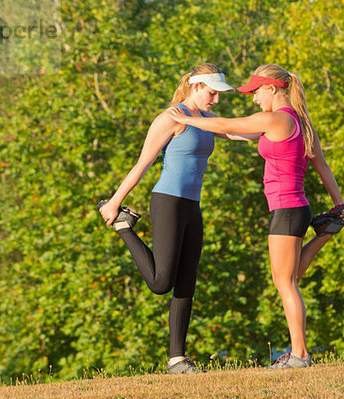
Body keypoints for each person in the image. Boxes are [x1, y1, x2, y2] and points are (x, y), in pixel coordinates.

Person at [167, 64, 344, 368]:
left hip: (285, 208)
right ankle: (326, 231)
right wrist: (339, 203)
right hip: (297, 207)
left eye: (256, 91)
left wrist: (185, 118)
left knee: (285, 283)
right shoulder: (301, 122)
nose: (254, 98)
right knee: (291, 277)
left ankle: (300, 355)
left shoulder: (274, 118)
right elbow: (321, 165)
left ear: (272, 88)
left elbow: (227, 124)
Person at [98, 63, 238, 374]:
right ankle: (124, 225)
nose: (216, 100)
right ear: (196, 87)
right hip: (168, 203)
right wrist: (115, 203)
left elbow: (242, 131)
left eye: (219, 95)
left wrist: (281, 119)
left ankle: (177, 359)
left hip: (192, 205)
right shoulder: (171, 118)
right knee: (162, 283)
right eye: (212, 93)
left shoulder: (208, 119)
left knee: (187, 281)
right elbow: (142, 164)